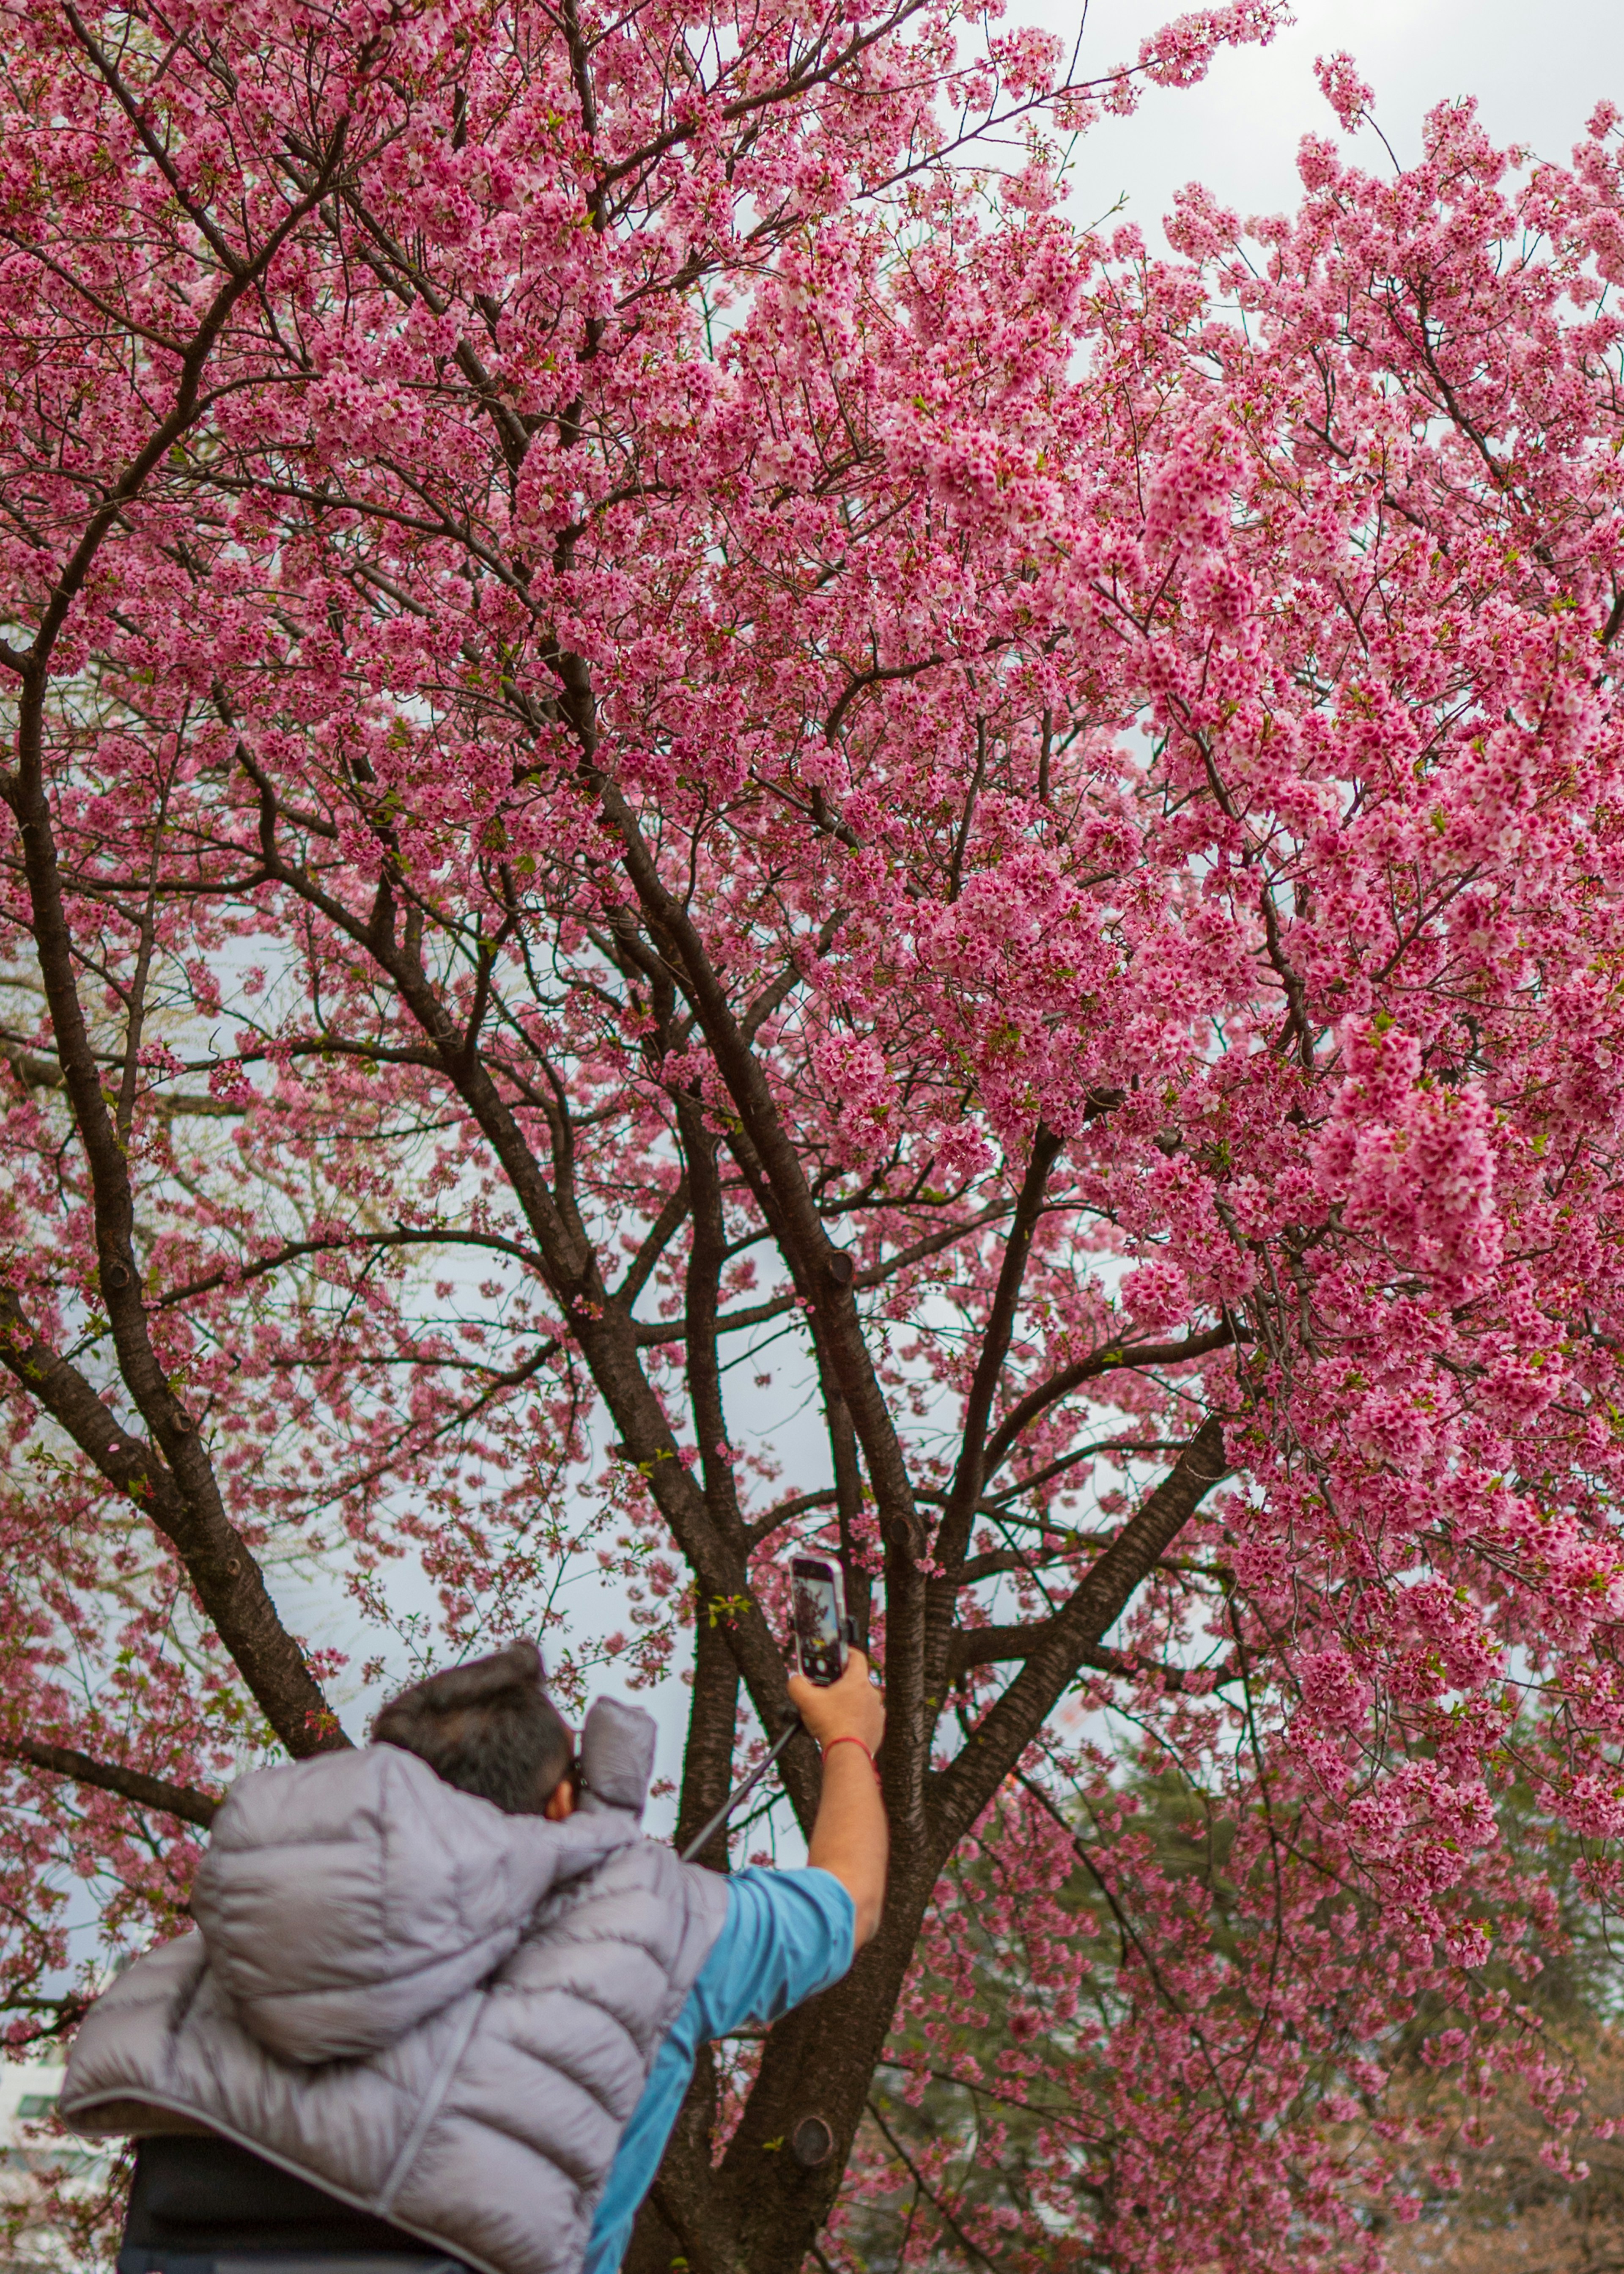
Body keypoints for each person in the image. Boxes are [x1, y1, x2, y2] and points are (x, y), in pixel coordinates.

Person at [59, 1637, 887, 2274]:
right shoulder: (645, 1927)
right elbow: (850, 1902)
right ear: (564, 1796)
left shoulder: (223, 1950)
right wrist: (847, 1738)